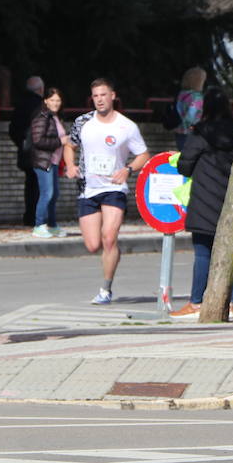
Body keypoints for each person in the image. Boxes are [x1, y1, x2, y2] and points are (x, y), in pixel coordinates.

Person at [63, 78, 151, 304]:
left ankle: (106, 289)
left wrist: (128, 169)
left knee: (109, 238)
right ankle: (109, 256)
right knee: (93, 245)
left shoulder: (126, 126)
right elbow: (69, 146)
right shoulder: (83, 122)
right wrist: (71, 166)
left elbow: (143, 155)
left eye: (103, 95)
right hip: (88, 188)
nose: (100, 100)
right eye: (95, 96)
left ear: (112, 96)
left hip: (114, 187)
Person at [172, 85, 233, 319]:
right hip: (231, 200)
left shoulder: (201, 132)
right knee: (232, 253)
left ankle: (196, 302)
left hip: (203, 200)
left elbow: (185, 164)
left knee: (202, 253)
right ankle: (230, 304)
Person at [28, 87, 67, 237]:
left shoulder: (55, 117)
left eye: (58, 100)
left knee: (54, 194)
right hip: (44, 162)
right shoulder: (42, 116)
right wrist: (60, 141)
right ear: (45, 101)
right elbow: (38, 140)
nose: (55, 103)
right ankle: (39, 225)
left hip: (54, 161)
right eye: (52, 100)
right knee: (47, 193)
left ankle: (52, 225)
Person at [10, 75, 45, 226]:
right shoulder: (41, 106)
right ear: (41, 89)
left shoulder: (20, 105)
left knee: (30, 184)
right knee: (41, 186)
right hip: (40, 153)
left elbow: (13, 130)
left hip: (26, 152)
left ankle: (29, 215)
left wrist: (22, 143)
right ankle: (38, 218)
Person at [173, 67, 207, 151]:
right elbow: (191, 116)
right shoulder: (197, 97)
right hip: (191, 133)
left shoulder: (182, 94)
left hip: (178, 131)